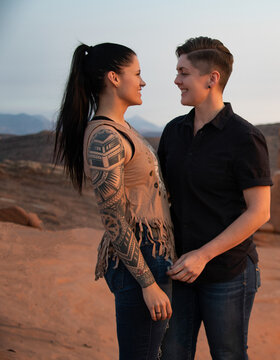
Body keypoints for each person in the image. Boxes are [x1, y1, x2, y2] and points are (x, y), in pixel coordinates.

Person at [54, 42, 176, 360]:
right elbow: (113, 216)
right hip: (140, 261)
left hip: (154, 255)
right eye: (137, 73)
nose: (143, 81)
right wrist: (148, 283)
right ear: (114, 77)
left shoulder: (123, 128)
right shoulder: (105, 136)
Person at [158, 36, 272, 360]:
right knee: (172, 355)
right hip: (178, 269)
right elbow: (162, 196)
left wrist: (203, 255)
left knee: (228, 355)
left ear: (212, 78)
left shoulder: (245, 137)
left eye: (184, 72)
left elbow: (259, 212)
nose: (176, 80)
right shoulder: (173, 132)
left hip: (228, 271)